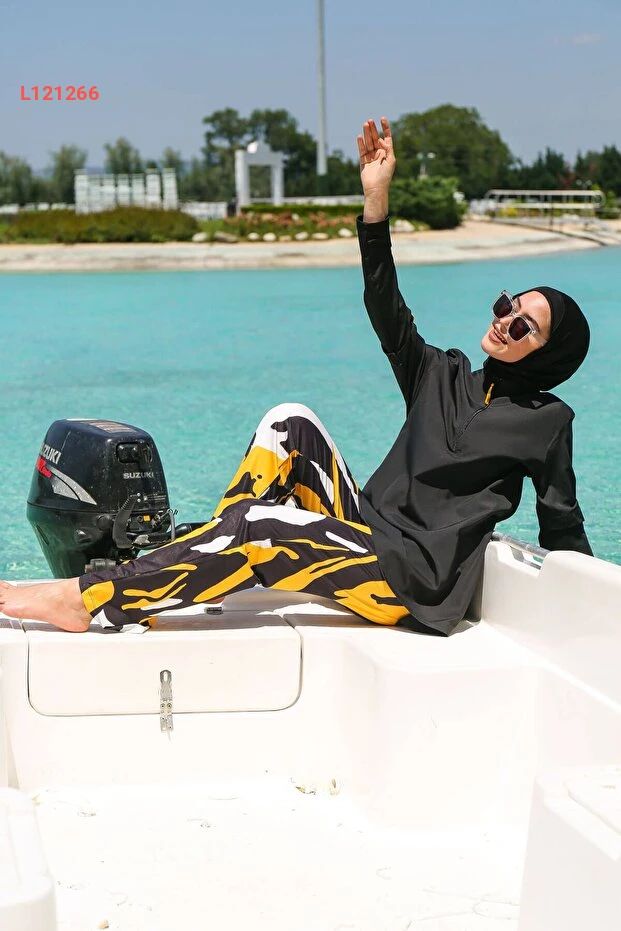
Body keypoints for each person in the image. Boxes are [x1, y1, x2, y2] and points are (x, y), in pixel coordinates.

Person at [0, 117, 592, 636]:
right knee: (290, 423)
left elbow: (562, 522)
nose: (505, 322)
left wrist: (599, 605)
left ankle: (89, 600)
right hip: (368, 532)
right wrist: (376, 200)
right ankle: (190, 568)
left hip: (411, 579)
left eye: (524, 327)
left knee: (260, 526)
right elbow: (385, 304)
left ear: (547, 355)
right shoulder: (443, 373)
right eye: (507, 305)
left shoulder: (546, 421)